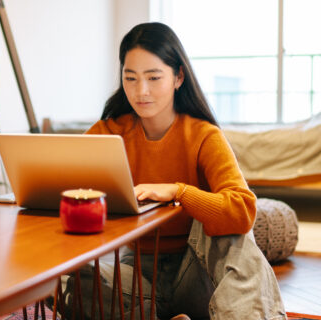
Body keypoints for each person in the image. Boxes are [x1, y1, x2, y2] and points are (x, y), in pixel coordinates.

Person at [60, 22, 286, 320]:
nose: (141, 91)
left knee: (232, 234)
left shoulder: (203, 135)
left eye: (154, 78)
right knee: (66, 279)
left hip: (196, 276)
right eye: (130, 78)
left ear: (178, 76)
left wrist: (180, 192)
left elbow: (243, 211)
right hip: (135, 276)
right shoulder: (108, 134)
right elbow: (62, 186)